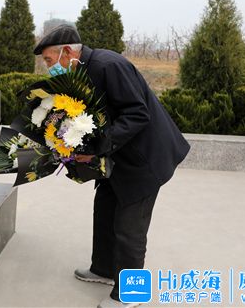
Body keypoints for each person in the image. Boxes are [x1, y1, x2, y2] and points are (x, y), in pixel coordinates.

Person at [33, 25, 191, 308]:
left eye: (48, 60)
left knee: (130, 228)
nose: (48, 67)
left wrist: (95, 147)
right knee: (105, 211)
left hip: (143, 159)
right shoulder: (79, 72)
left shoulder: (108, 66)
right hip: (116, 157)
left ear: (66, 52)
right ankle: (104, 269)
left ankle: (132, 295)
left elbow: (137, 113)